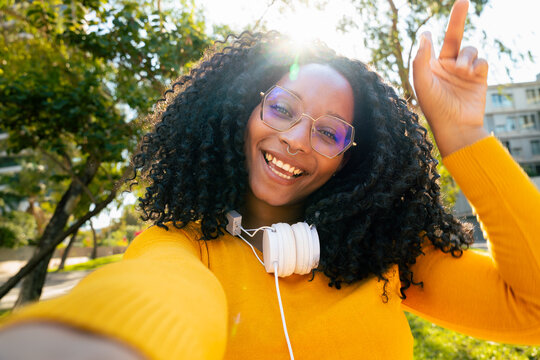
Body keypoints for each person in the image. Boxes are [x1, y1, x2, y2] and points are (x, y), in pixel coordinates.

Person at [1, 0, 539, 358]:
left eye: (330, 133)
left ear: (348, 157)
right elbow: (158, 296)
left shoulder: (385, 253)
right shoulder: (180, 247)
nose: (299, 139)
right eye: (283, 109)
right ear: (241, 112)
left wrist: (464, 136)